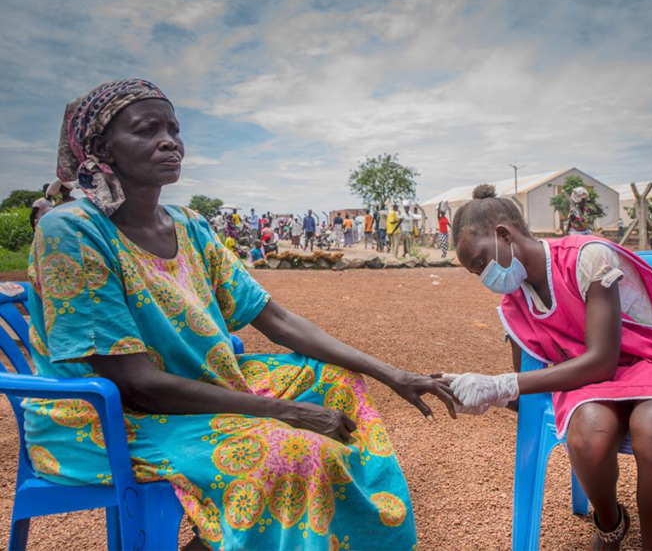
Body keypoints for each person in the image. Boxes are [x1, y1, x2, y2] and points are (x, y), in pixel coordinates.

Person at [27, 79, 455, 551]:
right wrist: (287, 413)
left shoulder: (189, 225)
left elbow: (277, 319)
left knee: (336, 382)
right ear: (99, 149)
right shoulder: (71, 231)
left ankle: (333, 539)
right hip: (106, 419)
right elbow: (136, 384)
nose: (170, 140)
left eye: (173, 128)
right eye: (147, 130)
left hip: (195, 387)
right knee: (291, 448)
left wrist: (394, 374)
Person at [436, 184, 652, 550]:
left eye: (480, 262)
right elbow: (525, 394)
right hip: (593, 382)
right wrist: (473, 393)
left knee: (651, 426)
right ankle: (610, 523)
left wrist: (501, 384)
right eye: (476, 272)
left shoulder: (588, 257)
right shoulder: (516, 303)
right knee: (587, 431)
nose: (484, 277)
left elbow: (602, 361)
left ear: (503, 235)